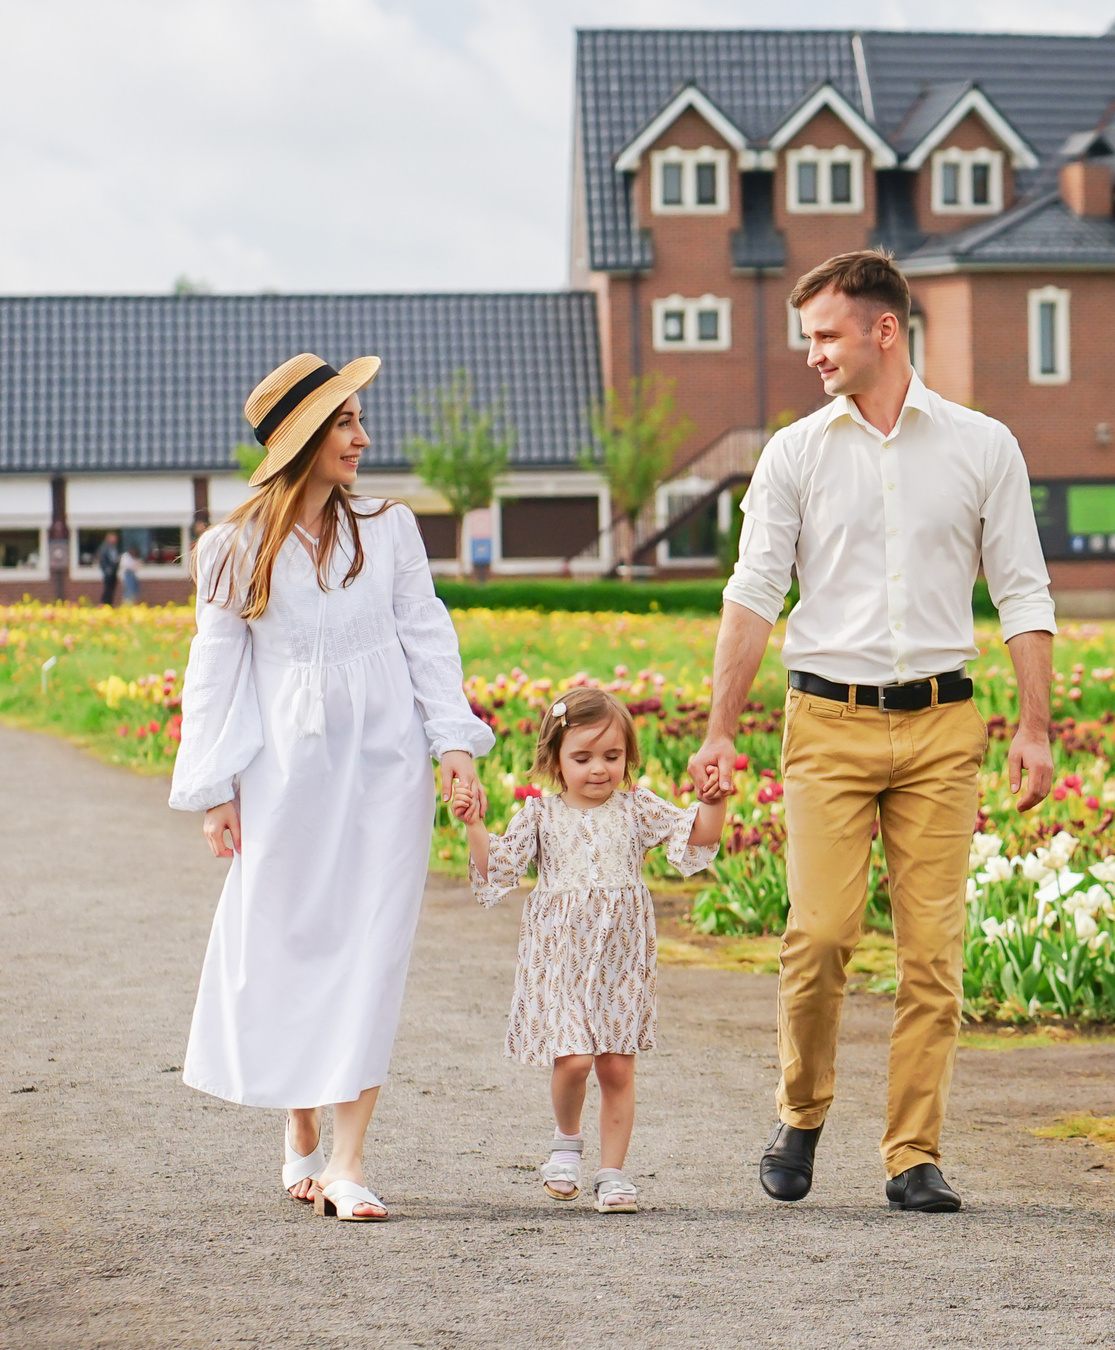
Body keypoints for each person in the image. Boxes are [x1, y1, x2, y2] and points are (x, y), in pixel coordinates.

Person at [686, 249, 1055, 1215]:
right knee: (819, 937)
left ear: (884, 330)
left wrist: (1036, 726)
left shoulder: (983, 446)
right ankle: (801, 1112)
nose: (813, 353)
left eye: (826, 335)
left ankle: (913, 1154)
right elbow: (753, 594)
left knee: (934, 956)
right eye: (807, 337)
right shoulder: (794, 453)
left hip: (943, 728)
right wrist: (720, 730)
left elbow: (1023, 591)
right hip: (828, 722)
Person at [169, 352, 492, 1222]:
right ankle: (301, 1120)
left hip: (387, 769)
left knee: (371, 951)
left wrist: (453, 742)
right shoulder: (232, 549)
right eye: (345, 422)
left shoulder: (388, 530)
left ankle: (348, 1162)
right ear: (305, 437)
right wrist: (214, 788)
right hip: (285, 777)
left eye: (357, 419)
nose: (363, 437)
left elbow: (427, 634)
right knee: (287, 943)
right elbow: (213, 673)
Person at [458, 686, 726, 1213]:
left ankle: (613, 1173)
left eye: (612, 755)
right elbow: (497, 869)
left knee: (616, 1068)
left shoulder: (636, 809)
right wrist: (473, 825)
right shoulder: (540, 816)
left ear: (628, 757)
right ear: (555, 759)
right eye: (582, 758)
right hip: (562, 958)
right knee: (575, 1059)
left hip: (621, 959)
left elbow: (696, 836)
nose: (599, 769)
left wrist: (714, 801)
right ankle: (566, 1142)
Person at [95, 532, 120, 606]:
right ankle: (104, 603)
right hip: (108, 571)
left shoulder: (115, 547)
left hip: (114, 570)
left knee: (112, 587)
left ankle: (109, 603)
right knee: (108, 587)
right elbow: (102, 559)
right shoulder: (105, 548)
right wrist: (107, 568)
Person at [119, 533, 143, 606]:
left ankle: (133, 603)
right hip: (127, 574)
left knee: (134, 590)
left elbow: (138, 565)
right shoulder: (125, 556)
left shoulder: (134, 557)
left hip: (132, 574)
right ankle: (127, 603)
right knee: (129, 589)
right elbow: (126, 566)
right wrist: (134, 565)